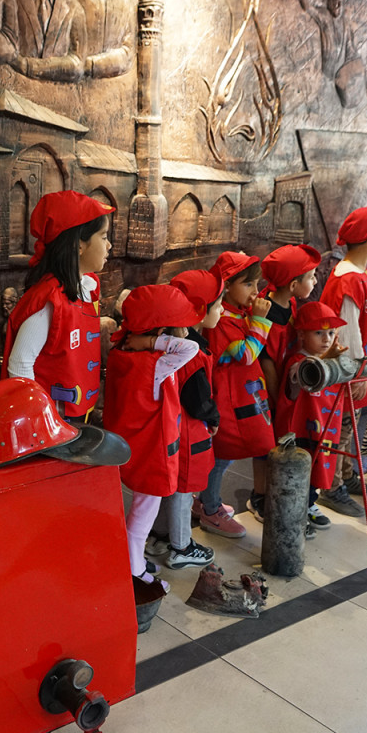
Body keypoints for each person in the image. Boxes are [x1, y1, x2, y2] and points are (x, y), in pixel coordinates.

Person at [103, 286, 201, 595]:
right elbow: (191, 348)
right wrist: (151, 342)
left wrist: (145, 340)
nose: (186, 332)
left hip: (133, 445)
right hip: (152, 452)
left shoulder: (123, 353)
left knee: (139, 512)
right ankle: (134, 573)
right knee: (142, 517)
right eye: (178, 327)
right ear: (160, 332)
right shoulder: (155, 363)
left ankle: (134, 560)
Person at [317, 206, 367, 517]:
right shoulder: (348, 279)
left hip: (363, 367)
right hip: (349, 371)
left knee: (351, 424)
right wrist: (358, 373)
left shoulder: (362, 275)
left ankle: (347, 473)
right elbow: (348, 331)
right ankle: (332, 486)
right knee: (341, 428)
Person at [6, 191, 113, 420]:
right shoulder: (48, 299)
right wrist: (38, 419)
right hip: (53, 422)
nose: (109, 245)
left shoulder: (88, 285)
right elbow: (20, 364)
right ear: (79, 245)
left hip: (79, 415)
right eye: (104, 237)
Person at [168, 269, 247, 539]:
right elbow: (198, 398)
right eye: (218, 305)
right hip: (187, 429)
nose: (223, 310)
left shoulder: (181, 340)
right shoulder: (191, 351)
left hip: (177, 426)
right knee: (183, 487)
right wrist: (213, 418)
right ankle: (181, 544)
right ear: (200, 311)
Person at [205, 252, 275, 521]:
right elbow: (246, 354)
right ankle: (210, 508)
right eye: (248, 284)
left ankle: (208, 501)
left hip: (241, 393)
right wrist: (260, 321)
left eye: (256, 284)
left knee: (226, 456)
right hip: (228, 397)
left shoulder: (237, 313)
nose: (255, 291)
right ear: (226, 285)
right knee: (223, 455)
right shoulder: (222, 320)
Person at [251, 244, 321, 512]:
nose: (315, 281)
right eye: (311, 277)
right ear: (293, 285)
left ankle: (285, 493)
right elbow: (266, 361)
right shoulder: (267, 311)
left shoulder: (290, 303)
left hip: (286, 387)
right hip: (269, 390)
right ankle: (260, 496)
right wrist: (276, 398)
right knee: (265, 445)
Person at [274, 301, 348, 534]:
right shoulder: (297, 362)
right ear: (301, 335)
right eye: (318, 333)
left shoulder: (332, 361)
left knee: (318, 471)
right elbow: (305, 373)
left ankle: (309, 504)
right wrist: (327, 357)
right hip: (301, 432)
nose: (326, 339)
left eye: (331, 333)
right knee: (298, 472)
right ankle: (295, 511)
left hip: (325, 430)